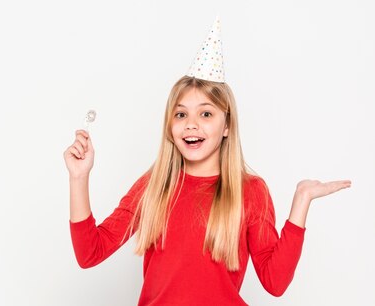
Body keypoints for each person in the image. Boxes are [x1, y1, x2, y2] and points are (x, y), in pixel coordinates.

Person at [62, 17, 351, 305]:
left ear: (226, 126)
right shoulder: (155, 186)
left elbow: (274, 283)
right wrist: (79, 178)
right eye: (181, 114)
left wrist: (301, 201)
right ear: (169, 126)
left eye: (206, 114)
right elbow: (90, 253)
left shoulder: (250, 191)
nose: (191, 124)